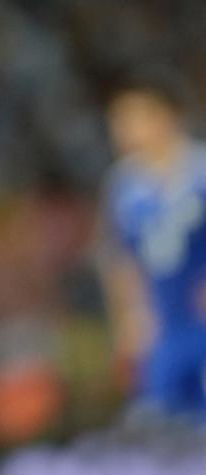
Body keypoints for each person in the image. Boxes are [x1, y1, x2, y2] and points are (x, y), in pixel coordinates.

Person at [99, 68, 206, 422]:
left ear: (166, 115)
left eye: (135, 117)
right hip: (162, 325)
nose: (126, 130)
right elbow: (119, 259)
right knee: (164, 423)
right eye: (118, 120)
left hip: (199, 312)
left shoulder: (200, 172)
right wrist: (129, 319)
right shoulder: (122, 187)